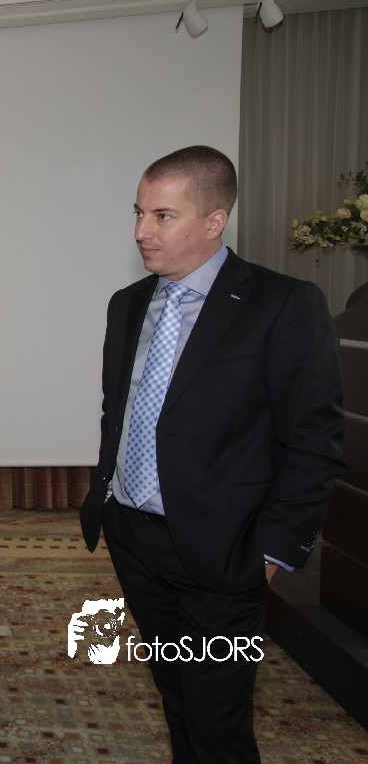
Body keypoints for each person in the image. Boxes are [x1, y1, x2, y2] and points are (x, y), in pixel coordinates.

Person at [79, 145, 345, 762]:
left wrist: (274, 552)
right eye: (139, 212)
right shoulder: (128, 304)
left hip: (227, 552)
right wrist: (110, 505)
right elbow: (118, 413)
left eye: (163, 216)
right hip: (135, 540)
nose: (142, 231)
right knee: (176, 697)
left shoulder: (283, 304)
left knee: (218, 719)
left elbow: (314, 442)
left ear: (215, 220)